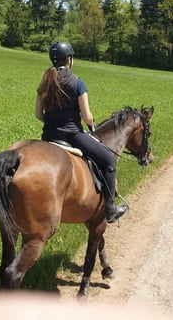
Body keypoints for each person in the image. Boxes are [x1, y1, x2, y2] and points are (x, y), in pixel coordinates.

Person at [35, 41, 128, 223]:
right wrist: (91, 124)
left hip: (49, 136)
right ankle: (110, 209)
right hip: (73, 136)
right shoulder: (77, 83)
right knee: (109, 161)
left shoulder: (45, 82)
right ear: (69, 59)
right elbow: (86, 116)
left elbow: (38, 114)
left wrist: (54, 123)